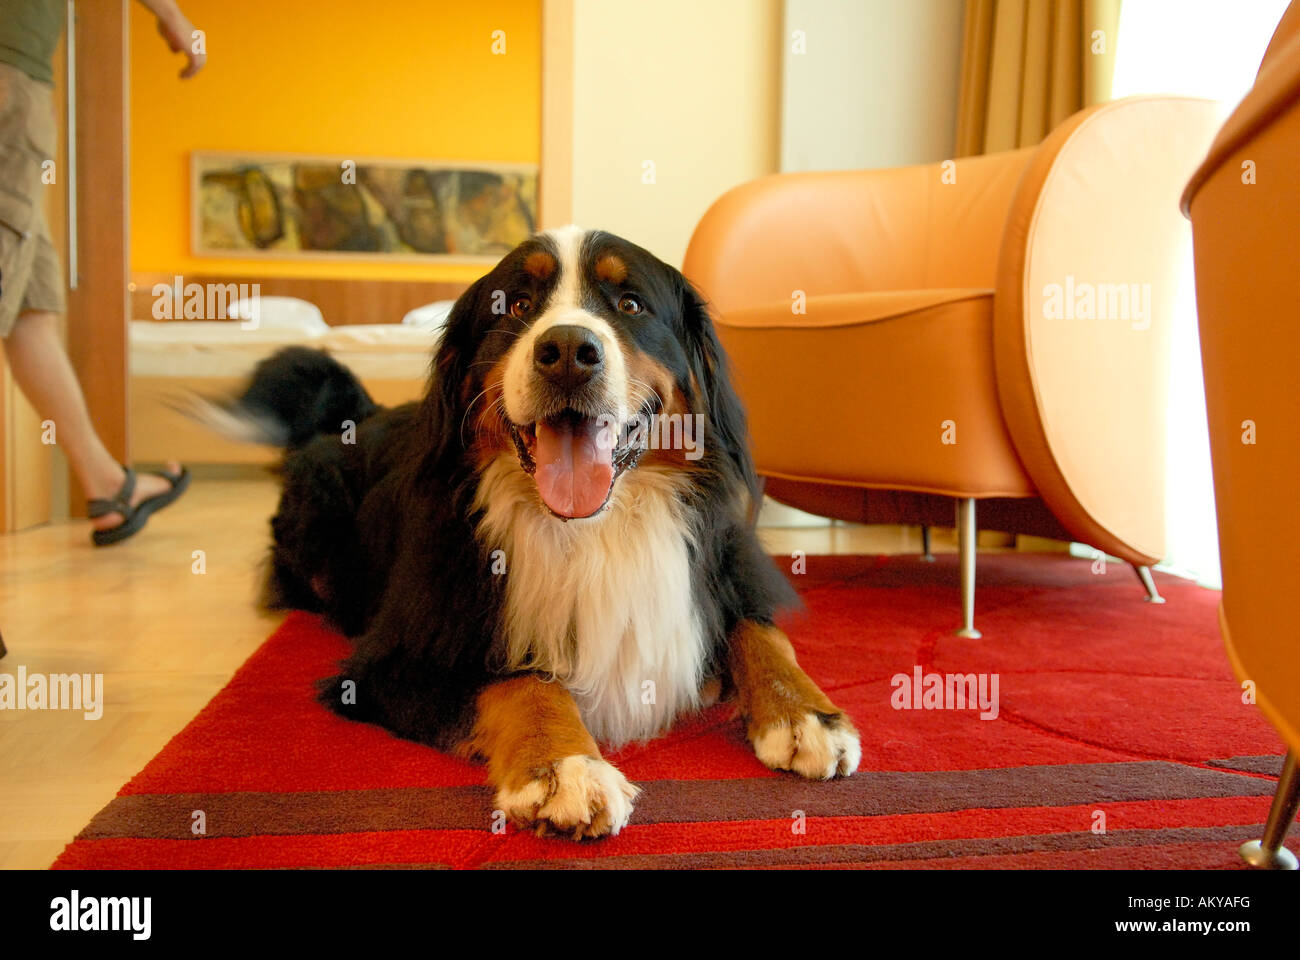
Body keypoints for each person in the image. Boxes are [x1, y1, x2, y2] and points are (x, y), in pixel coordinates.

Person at [0, 0, 204, 545]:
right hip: (10, 79)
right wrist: (173, 16)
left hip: (21, 83)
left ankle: (107, 483)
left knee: (30, 313)